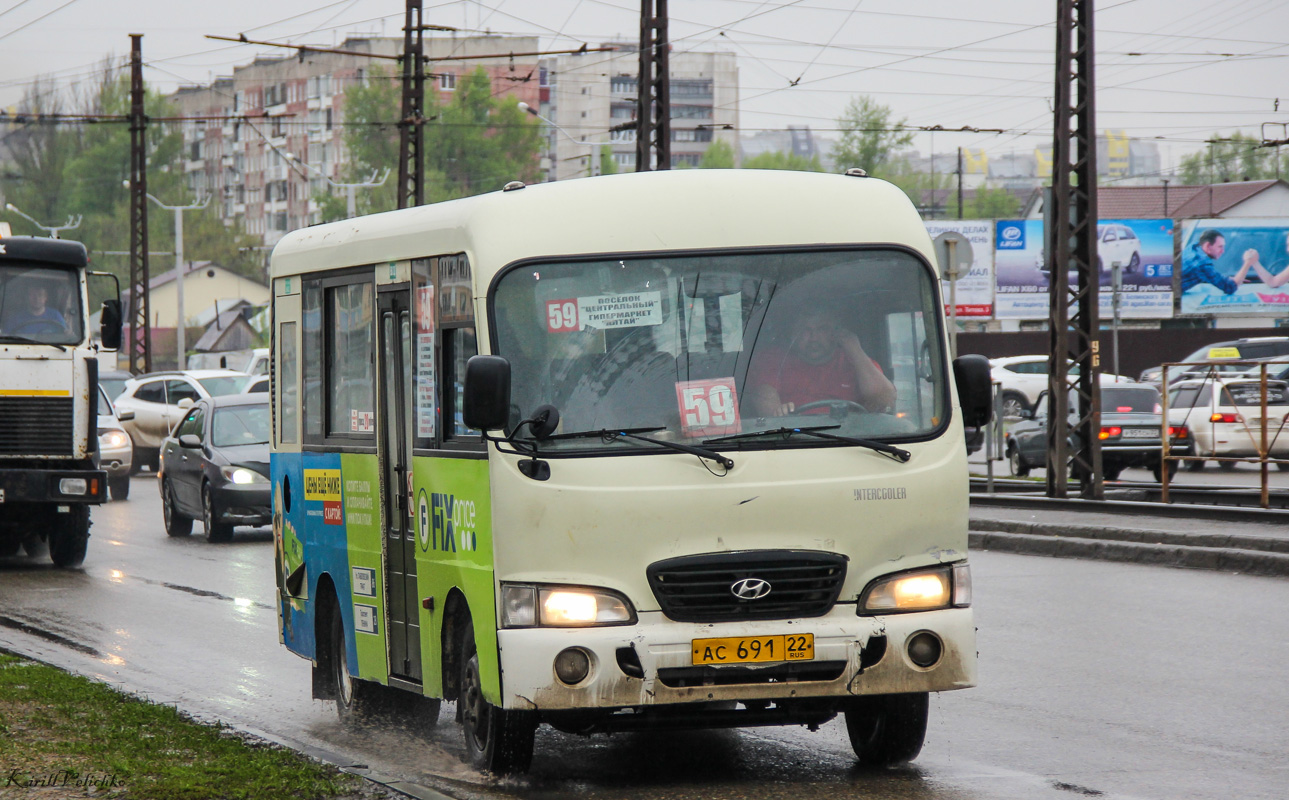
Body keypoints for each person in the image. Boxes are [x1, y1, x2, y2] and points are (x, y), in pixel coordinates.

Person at [745, 308, 896, 416]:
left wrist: (855, 349)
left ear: (835, 332)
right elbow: (766, 403)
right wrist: (778, 413)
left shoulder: (854, 360)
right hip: (792, 443)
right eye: (805, 330)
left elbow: (885, 401)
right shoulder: (774, 359)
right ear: (793, 333)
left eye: (822, 329)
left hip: (851, 441)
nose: (814, 338)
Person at [1180, 229, 1251, 295]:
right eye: (1220, 247)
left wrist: (1231, 278)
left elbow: (1210, 275)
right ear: (1208, 245)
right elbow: (1230, 287)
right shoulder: (1201, 264)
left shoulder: (1194, 247)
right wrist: (1248, 262)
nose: (1223, 251)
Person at [1, 281, 67, 335]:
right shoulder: (15, 319)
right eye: (32, 295)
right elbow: (6, 337)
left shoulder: (55, 316)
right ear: (27, 297)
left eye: (40, 295)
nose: (36, 298)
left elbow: (65, 334)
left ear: (45, 298)